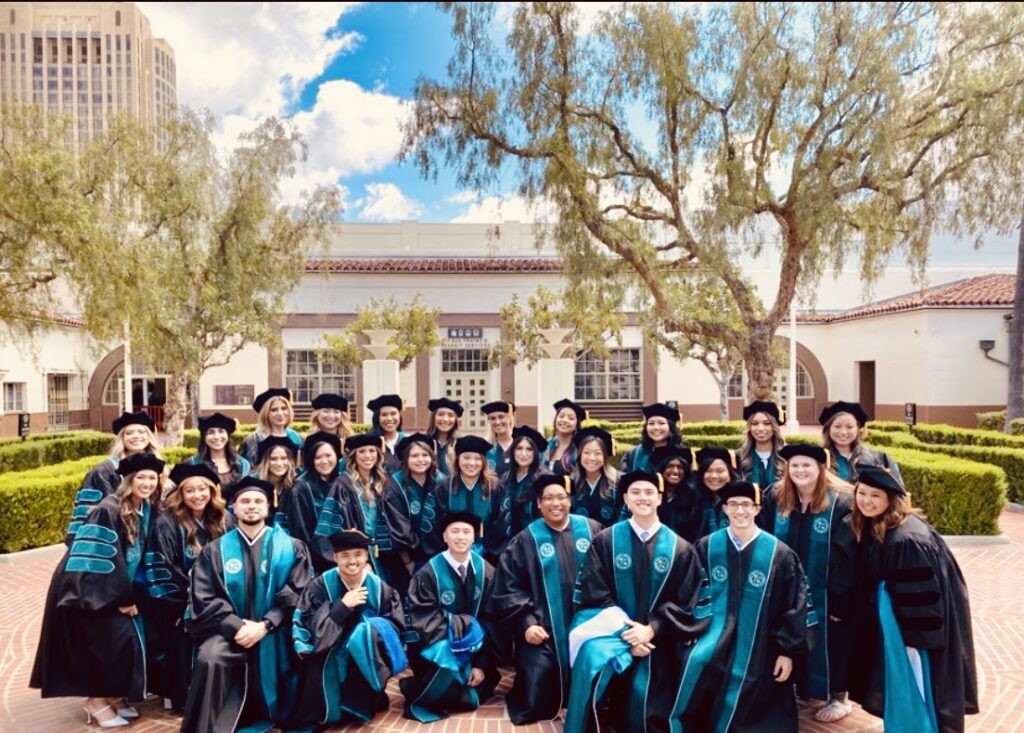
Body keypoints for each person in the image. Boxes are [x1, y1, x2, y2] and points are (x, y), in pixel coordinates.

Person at [32, 452, 164, 729]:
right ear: (128, 480)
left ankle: (114, 696)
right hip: (89, 585)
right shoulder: (109, 508)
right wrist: (122, 598)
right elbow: (99, 557)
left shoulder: (146, 507)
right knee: (111, 643)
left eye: (152, 478)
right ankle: (95, 701)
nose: (148, 483)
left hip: (115, 586)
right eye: (141, 477)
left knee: (131, 640)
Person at [566, 470, 705, 733]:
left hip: (661, 642)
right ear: (626, 499)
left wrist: (652, 629)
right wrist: (629, 635)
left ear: (660, 498)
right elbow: (595, 592)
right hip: (614, 637)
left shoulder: (681, 548)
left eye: (649, 492)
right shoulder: (605, 541)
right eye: (636, 492)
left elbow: (688, 600)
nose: (643, 498)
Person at [847, 464, 978, 733]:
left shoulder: (905, 540)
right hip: (897, 627)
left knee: (918, 691)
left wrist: (915, 645)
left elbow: (920, 600)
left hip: (911, 636)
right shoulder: (884, 526)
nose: (866, 501)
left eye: (875, 495)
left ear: (890, 500)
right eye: (862, 493)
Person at [670, 480, 808, 733]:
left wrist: (787, 653)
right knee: (698, 667)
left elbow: (794, 607)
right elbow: (688, 593)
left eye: (747, 504)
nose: (740, 511)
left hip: (762, 647)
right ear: (724, 508)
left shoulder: (780, 554)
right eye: (733, 504)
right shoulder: (707, 547)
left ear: (757, 509)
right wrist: (691, 631)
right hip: (714, 639)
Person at [181, 476, 313, 733]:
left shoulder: (292, 547)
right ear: (234, 507)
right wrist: (237, 626)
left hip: (278, 628)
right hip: (230, 631)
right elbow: (204, 596)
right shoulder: (215, 550)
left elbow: (300, 593)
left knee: (307, 653)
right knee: (210, 657)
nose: (252, 506)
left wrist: (266, 624)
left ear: (268, 507)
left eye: (258, 501)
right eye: (245, 501)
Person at [491, 474, 602, 724]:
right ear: (538, 504)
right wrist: (526, 624)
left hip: (587, 625)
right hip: (544, 629)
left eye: (561, 497)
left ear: (570, 501)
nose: (556, 503)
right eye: (549, 498)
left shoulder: (592, 530)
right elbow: (508, 588)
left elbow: (609, 580)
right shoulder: (525, 540)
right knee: (537, 691)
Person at [758, 444, 856, 721]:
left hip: (827, 589)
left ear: (821, 469)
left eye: (806, 465)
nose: (800, 470)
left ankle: (839, 697)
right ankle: (806, 690)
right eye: (795, 465)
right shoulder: (776, 497)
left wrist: (840, 596)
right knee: (793, 632)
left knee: (831, 637)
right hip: (786, 586)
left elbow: (846, 554)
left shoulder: (841, 502)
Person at [290, 528, 407, 728]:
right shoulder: (319, 586)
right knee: (329, 712)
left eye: (358, 555)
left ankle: (368, 695)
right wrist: (342, 607)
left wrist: (368, 633)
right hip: (328, 655)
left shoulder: (381, 589)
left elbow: (395, 630)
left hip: (365, 659)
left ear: (367, 557)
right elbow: (313, 632)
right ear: (334, 557)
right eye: (345, 555)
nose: (352, 561)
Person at [145, 462, 233, 714]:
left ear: (212, 490)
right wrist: (194, 598)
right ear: (181, 494)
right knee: (182, 645)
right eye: (190, 491)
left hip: (221, 599)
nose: (197, 495)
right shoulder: (167, 523)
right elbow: (163, 566)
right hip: (181, 602)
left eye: (203, 489)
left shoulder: (224, 519)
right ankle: (183, 697)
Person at [400, 511, 501, 722]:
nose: (461, 537)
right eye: (454, 531)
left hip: (476, 653)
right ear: (445, 536)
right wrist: (457, 645)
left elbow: (493, 621)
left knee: (470, 698)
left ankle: (414, 688)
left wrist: (479, 664)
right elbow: (422, 618)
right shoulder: (428, 573)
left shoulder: (487, 572)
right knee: (461, 692)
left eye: (466, 532)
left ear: (474, 537)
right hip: (437, 652)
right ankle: (430, 686)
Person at [66, 410, 162, 542]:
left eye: (141, 432)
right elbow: (96, 515)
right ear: (121, 438)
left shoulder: (157, 466)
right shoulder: (104, 470)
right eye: (129, 433)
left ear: (149, 436)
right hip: (112, 543)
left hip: (143, 543)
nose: (136, 436)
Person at [318, 433, 391, 579]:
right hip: (356, 558)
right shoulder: (343, 484)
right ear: (354, 456)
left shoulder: (381, 481)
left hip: (381, 554)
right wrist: (361, 560)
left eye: (372, 451)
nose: (367, 456)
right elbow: (335, 526)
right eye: (361, 451)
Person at [276, 432, 350, 575]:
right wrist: (330, 558)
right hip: (315, 563)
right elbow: (301, 532)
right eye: (318, 457)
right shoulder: (300, 488)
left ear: (337, 456)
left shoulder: (344, 482)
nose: (324, 461)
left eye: (328, 455)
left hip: (344, 558)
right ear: (311, 460)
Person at [381, 432, 441, 595]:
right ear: (406, 459)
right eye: (415, 456)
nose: (421, 460)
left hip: (439, 553)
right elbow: (398, 526)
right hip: (406, 556)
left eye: (425, 455)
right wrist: (408, 562)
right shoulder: (394, 485)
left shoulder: (441, 481)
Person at [432, 435, 499, 558]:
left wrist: (486, 549)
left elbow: (499, 522)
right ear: (458, 460)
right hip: (451, 552)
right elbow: (439, 521)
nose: (472, 463)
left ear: (484, 461)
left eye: (477, 458)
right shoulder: (444, 487)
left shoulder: (495, 486)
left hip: (487, 553)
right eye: (466, 458)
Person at [490, 425, 550, 548]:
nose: (523, 454)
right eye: (519, 448)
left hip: (535, 543)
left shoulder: (545, 479)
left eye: (529, 449)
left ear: (536, 453)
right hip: (506, 545)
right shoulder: (506, 477)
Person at [819, 401, 902, 483]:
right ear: (829, 429)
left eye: (849, 427)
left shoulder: (879, 459)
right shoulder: (818, 459)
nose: (843, 432)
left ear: (858, 429)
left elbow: (897, 492)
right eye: (837, 426)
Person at [570, 426, 621, 527]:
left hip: (610, 540)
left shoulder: (619, 481)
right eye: (586, 452)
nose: (592, 458)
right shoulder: (570, 482)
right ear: (579, 455)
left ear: (605, 456)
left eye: (598, 453)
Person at [238, 388, 302, 466]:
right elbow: (245, 470)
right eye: (274, 410)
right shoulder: (254, 440)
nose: (280, 413)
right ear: (265, 413)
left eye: (284, 408)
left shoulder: (296, 438)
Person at [650, 445, 702, 543]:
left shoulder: (693, 495)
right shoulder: (651, 494)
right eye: (670, 466)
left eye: (680, 467)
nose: (675, 471)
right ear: (661, 469)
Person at [190, 412, 251, 487]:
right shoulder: (193, 464)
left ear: (228, 436)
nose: (217, 436)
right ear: (204, 437)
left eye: (221, 431)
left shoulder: (243, 464)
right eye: (211, 432)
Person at [619, 403, 685, 473]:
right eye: (651, 423)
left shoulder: (682, 454)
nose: (656, 427)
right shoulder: (634, 454)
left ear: (671, 429)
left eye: (661, 423)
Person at [738, 400, 786, 489]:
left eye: (767, 423)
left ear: (774, 427)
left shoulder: (785, 458)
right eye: (755, 423)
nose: (760, 428)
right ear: (750, 427)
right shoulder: (739, 458)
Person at [693, 446, 739, 538]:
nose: (714, 476)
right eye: (708, 471)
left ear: (730, 474)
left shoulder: (743, 499)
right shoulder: (692, 500)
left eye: (720, 471)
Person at [254, 435, 299, 523]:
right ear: (265, 461)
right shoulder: (252, 485)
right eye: (273, 459)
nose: (279, 463)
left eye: (284, 458)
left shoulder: (296, 486)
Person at [544, 398, 586, 475]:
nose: (565, 420)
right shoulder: (546, 445)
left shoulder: (580, 449)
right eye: (561, 416)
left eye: (571, 418)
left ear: (577, 425)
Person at [367, 393, 406, 473]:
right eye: (384, 415)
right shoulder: (369, 442)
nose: (389, 418)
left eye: (393, 413)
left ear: (399, 416)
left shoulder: (407, 441)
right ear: (377, 418)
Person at [426, 397, 463, 477]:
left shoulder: (461, 444)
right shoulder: (424, 442)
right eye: (440, 414)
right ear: (433, 417)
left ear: (455, 420)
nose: (445, 419)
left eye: (450, 415)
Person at [482, 400, 516, 476]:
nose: (497, 422)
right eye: (493, 418)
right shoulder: (485, 446)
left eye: (501, 417)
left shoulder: (521, 443)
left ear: (509, 418)